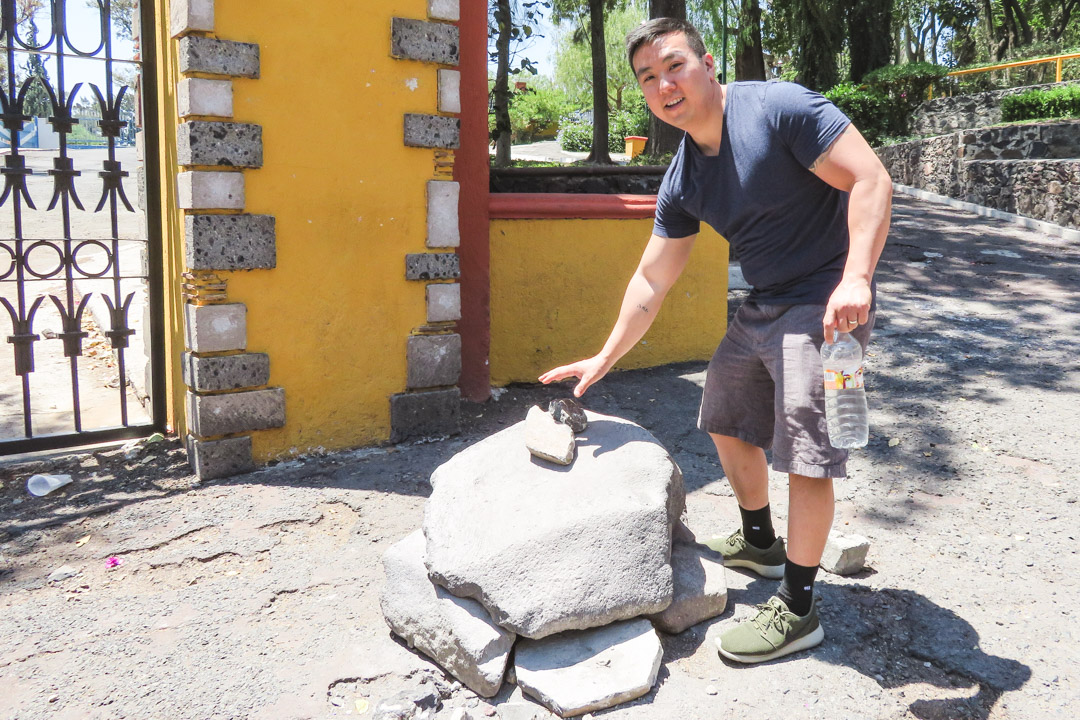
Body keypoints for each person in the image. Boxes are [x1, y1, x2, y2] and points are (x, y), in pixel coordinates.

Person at [539, 17, 892, 664]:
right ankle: (760, 539)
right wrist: (605, 356)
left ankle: (799, 606)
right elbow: (652, 278)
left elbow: (870, 179)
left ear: (707, 65)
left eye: (674, 65)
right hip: (762, 303)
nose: (664, 84)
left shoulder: (779, 109)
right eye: (649, 78)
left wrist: (857, 278)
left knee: (808, 452)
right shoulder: (682, 178)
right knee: (724, 414)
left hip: (823, 304)